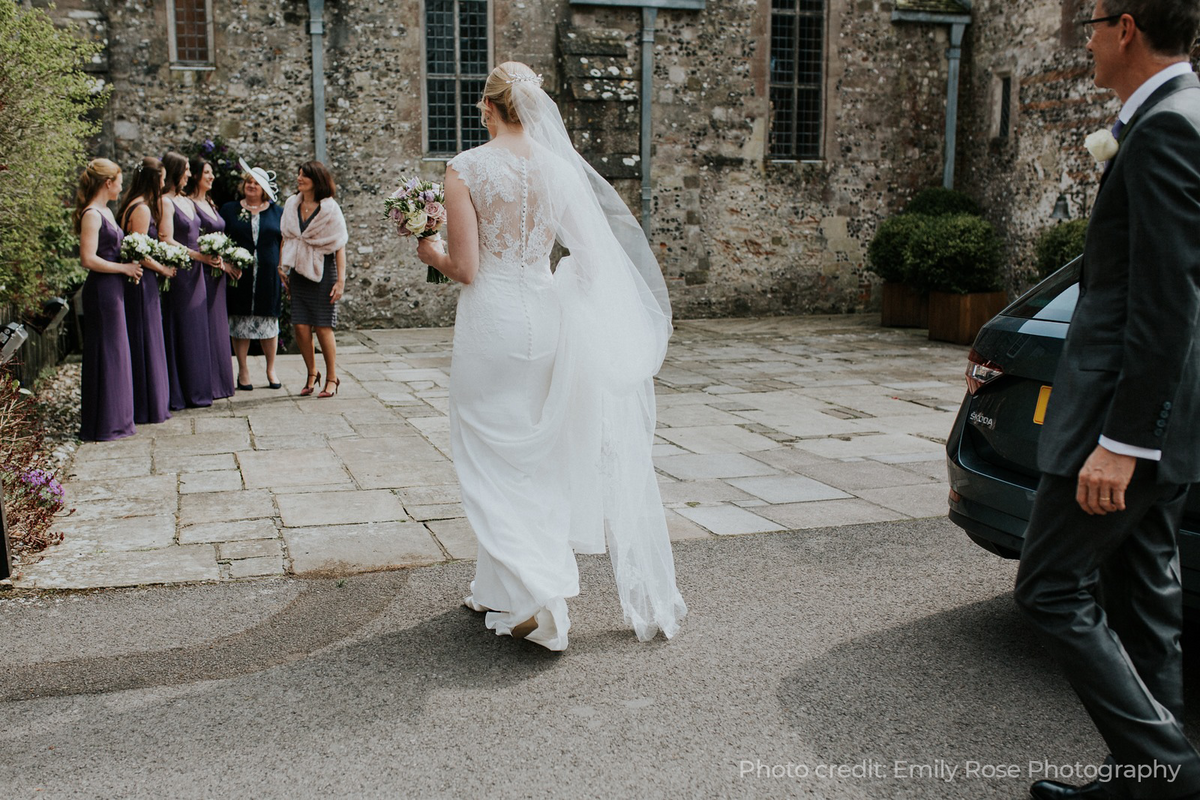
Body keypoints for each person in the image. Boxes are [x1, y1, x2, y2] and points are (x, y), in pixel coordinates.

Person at [415, 62, 686, 651]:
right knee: (529, 453)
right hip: (546, 318)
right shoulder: (560, 170)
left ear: (486, 107)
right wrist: (562, 290)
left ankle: (539, 595)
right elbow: (593, 257)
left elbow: (465, 267)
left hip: (491, 323)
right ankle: (496, 586)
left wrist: (425, 248)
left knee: (487, 453)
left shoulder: (465, 168)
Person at [1014, 3, 1200, 799]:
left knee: (1050, 587)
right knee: (1143, 593)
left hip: (1126, 426)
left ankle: (1171, 772)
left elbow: (1167, 302)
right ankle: (1141, 783)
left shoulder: (1168, 128)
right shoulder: (1172, 114)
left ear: (1126, 27)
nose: (1081, 39)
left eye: (1088, 22)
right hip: (1163, 423)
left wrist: (1122, 444)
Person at [72, 158, 141, 442]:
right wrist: (124, 268)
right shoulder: (92, 214)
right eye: (119, 181)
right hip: (101, 290)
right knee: (106, 351)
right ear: (108, 183)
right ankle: (103, 422)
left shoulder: (107, 211)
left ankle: (117, 418)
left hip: (113, 288)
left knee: (116, 351)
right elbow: (87, 258)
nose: (122, 186)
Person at [279, 160, 347, 398]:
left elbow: (340, 245)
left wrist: (340, 281)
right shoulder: (291, 205)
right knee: (300, 325)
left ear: (316, 180)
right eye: (298, 174)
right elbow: (286, 237)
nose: (299, 178)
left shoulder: (330, 209)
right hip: (298, 270)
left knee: (323, 325)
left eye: (304, 175)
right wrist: (282, 266)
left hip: (323, 271)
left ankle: (331, 377)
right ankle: (311, 373)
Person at [116, 156, 174, 425]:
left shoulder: (132, 203)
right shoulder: (142, 209)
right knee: (145, 338)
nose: (164, 183)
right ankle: (146, 405)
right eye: (161, 177)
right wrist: (162, 269)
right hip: (141, 282)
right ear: (154, 179)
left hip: (140, 281)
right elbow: (137, 250)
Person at [158, 151, 216, 410]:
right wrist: (196, 256)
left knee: (198, 328)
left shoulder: (187, 201)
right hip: (181, 271)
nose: (190, 175)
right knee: (183, 327)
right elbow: (166, 238)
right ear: (175, 172)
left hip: (198, 274)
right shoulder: (165, 202)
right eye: (186, 171)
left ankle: (200, 388)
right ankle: (181, 391)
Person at [220, 160, 284, 390]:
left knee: (269, 320)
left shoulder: (278, 212)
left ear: (265, 189)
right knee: (240, 321)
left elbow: (284, 240)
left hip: (268, 274)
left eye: (256, 183)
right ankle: (243, 370)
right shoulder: (229, 210)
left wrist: (283, 266)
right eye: (248, 181)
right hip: (240, 274)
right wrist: (225, 262)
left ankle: (271, 369)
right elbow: (221, 238)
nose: (251, 185)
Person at [187, 156, 239, 400]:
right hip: (201, 272)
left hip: (217, 273)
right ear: (196, 175)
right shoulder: (189, 204)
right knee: (203, 327)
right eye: (207, 172)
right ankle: (205, 383)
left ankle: (221, 383)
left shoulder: (210, 202)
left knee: (218, 327)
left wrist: (229, 262)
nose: (211, 177)